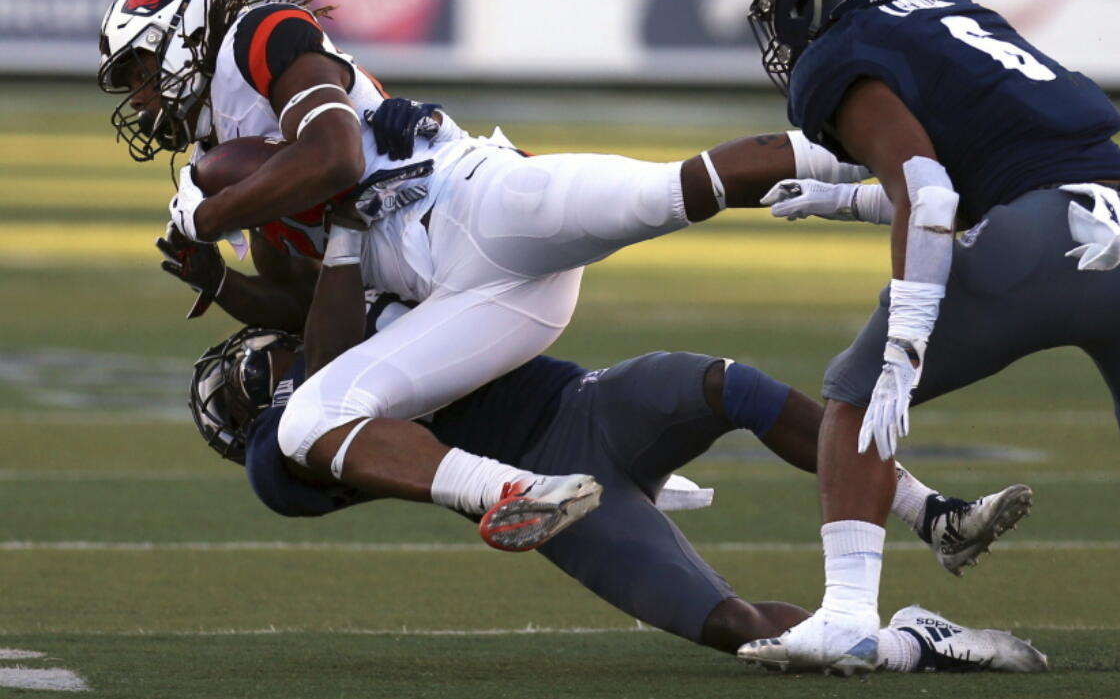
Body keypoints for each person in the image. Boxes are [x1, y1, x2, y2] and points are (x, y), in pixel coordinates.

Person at [97, 0, 873, 512]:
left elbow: (333, 156)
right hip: (469, 296)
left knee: (668, 192)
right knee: (313, 417)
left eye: (140, 70)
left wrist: (212, 213)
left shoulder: (254, 43)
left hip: (475, 205)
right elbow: (311, 305)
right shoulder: (223, 165)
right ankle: (523, 485)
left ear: (184, 40)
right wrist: (220, 276)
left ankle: (870, 159)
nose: (139, 96)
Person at [186, 224, 1044, 670]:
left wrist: (227, 272)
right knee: (740, 631)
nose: (261, 364)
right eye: (247, 387)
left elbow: (295, 275)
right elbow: (296, 441)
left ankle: (928, 510)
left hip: (589, 403)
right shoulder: (300, 445)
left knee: (727, 385)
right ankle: (910, 642)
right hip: (563, 499)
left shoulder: (334, 339)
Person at [737, 0, 1120, 674]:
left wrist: (907, 337)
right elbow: (989, 171)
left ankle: (847, 618)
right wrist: (842, 198)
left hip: (1051, 239)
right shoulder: (953, 11)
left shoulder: (844, 51)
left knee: (855, 399)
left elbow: (928, 196)